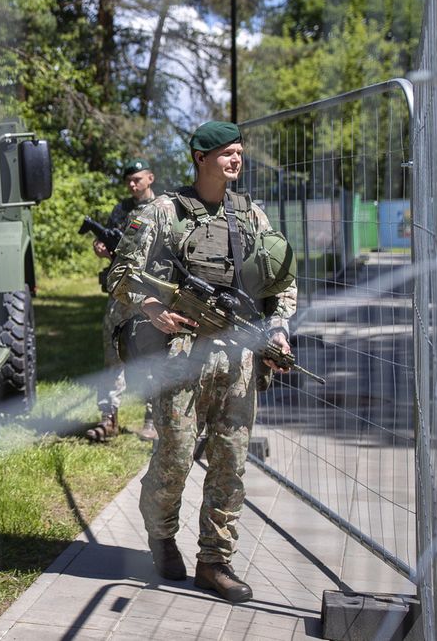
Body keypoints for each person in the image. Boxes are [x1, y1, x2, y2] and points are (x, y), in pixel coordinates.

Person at [107, 121, 297, 603]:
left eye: (239, 152)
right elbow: (119, 275)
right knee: (175, 456)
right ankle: (162, 534)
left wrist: (278, 329)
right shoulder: (163, 213)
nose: (236, 160)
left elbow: (281, 285)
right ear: (200, 158)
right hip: (181, 356)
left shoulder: (251, 215)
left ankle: (215, 561)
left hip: (237, 358)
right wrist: (152, 310)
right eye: (227, 153)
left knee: (231, 461)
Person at [87, 159, 159, 443]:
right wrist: (101, 248)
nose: (132, 184)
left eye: (137, 179)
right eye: (129, 180)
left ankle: (153, 419)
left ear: (150, 178)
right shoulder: (121, 210)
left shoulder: (162, 208)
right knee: (112, 353)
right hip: (120, 291)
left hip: (151, 291)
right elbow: (106, 243)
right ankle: (109, 418)